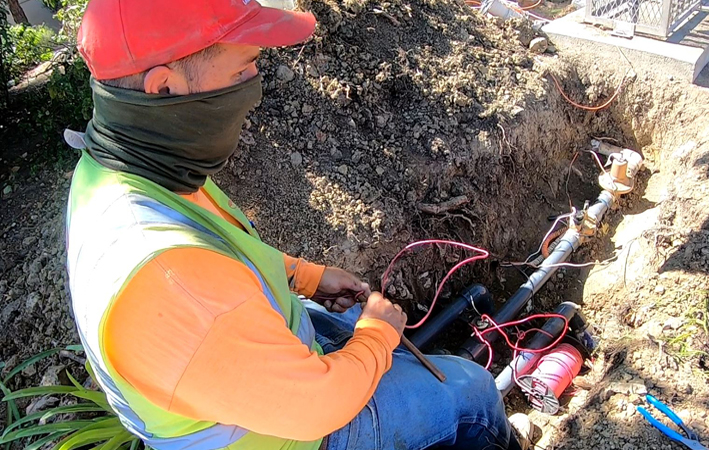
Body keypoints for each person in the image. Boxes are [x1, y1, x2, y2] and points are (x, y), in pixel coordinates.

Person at [63, 0, 528, 449]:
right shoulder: (167, 279)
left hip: (243, 379)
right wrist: (378, 336)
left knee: (361, 328)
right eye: (241, 66)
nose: (254, 83)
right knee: (471, 389)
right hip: (292, 436)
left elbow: (221, 258)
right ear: (164, 88)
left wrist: (305, 278)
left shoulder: (130, 174)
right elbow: (318, 407)